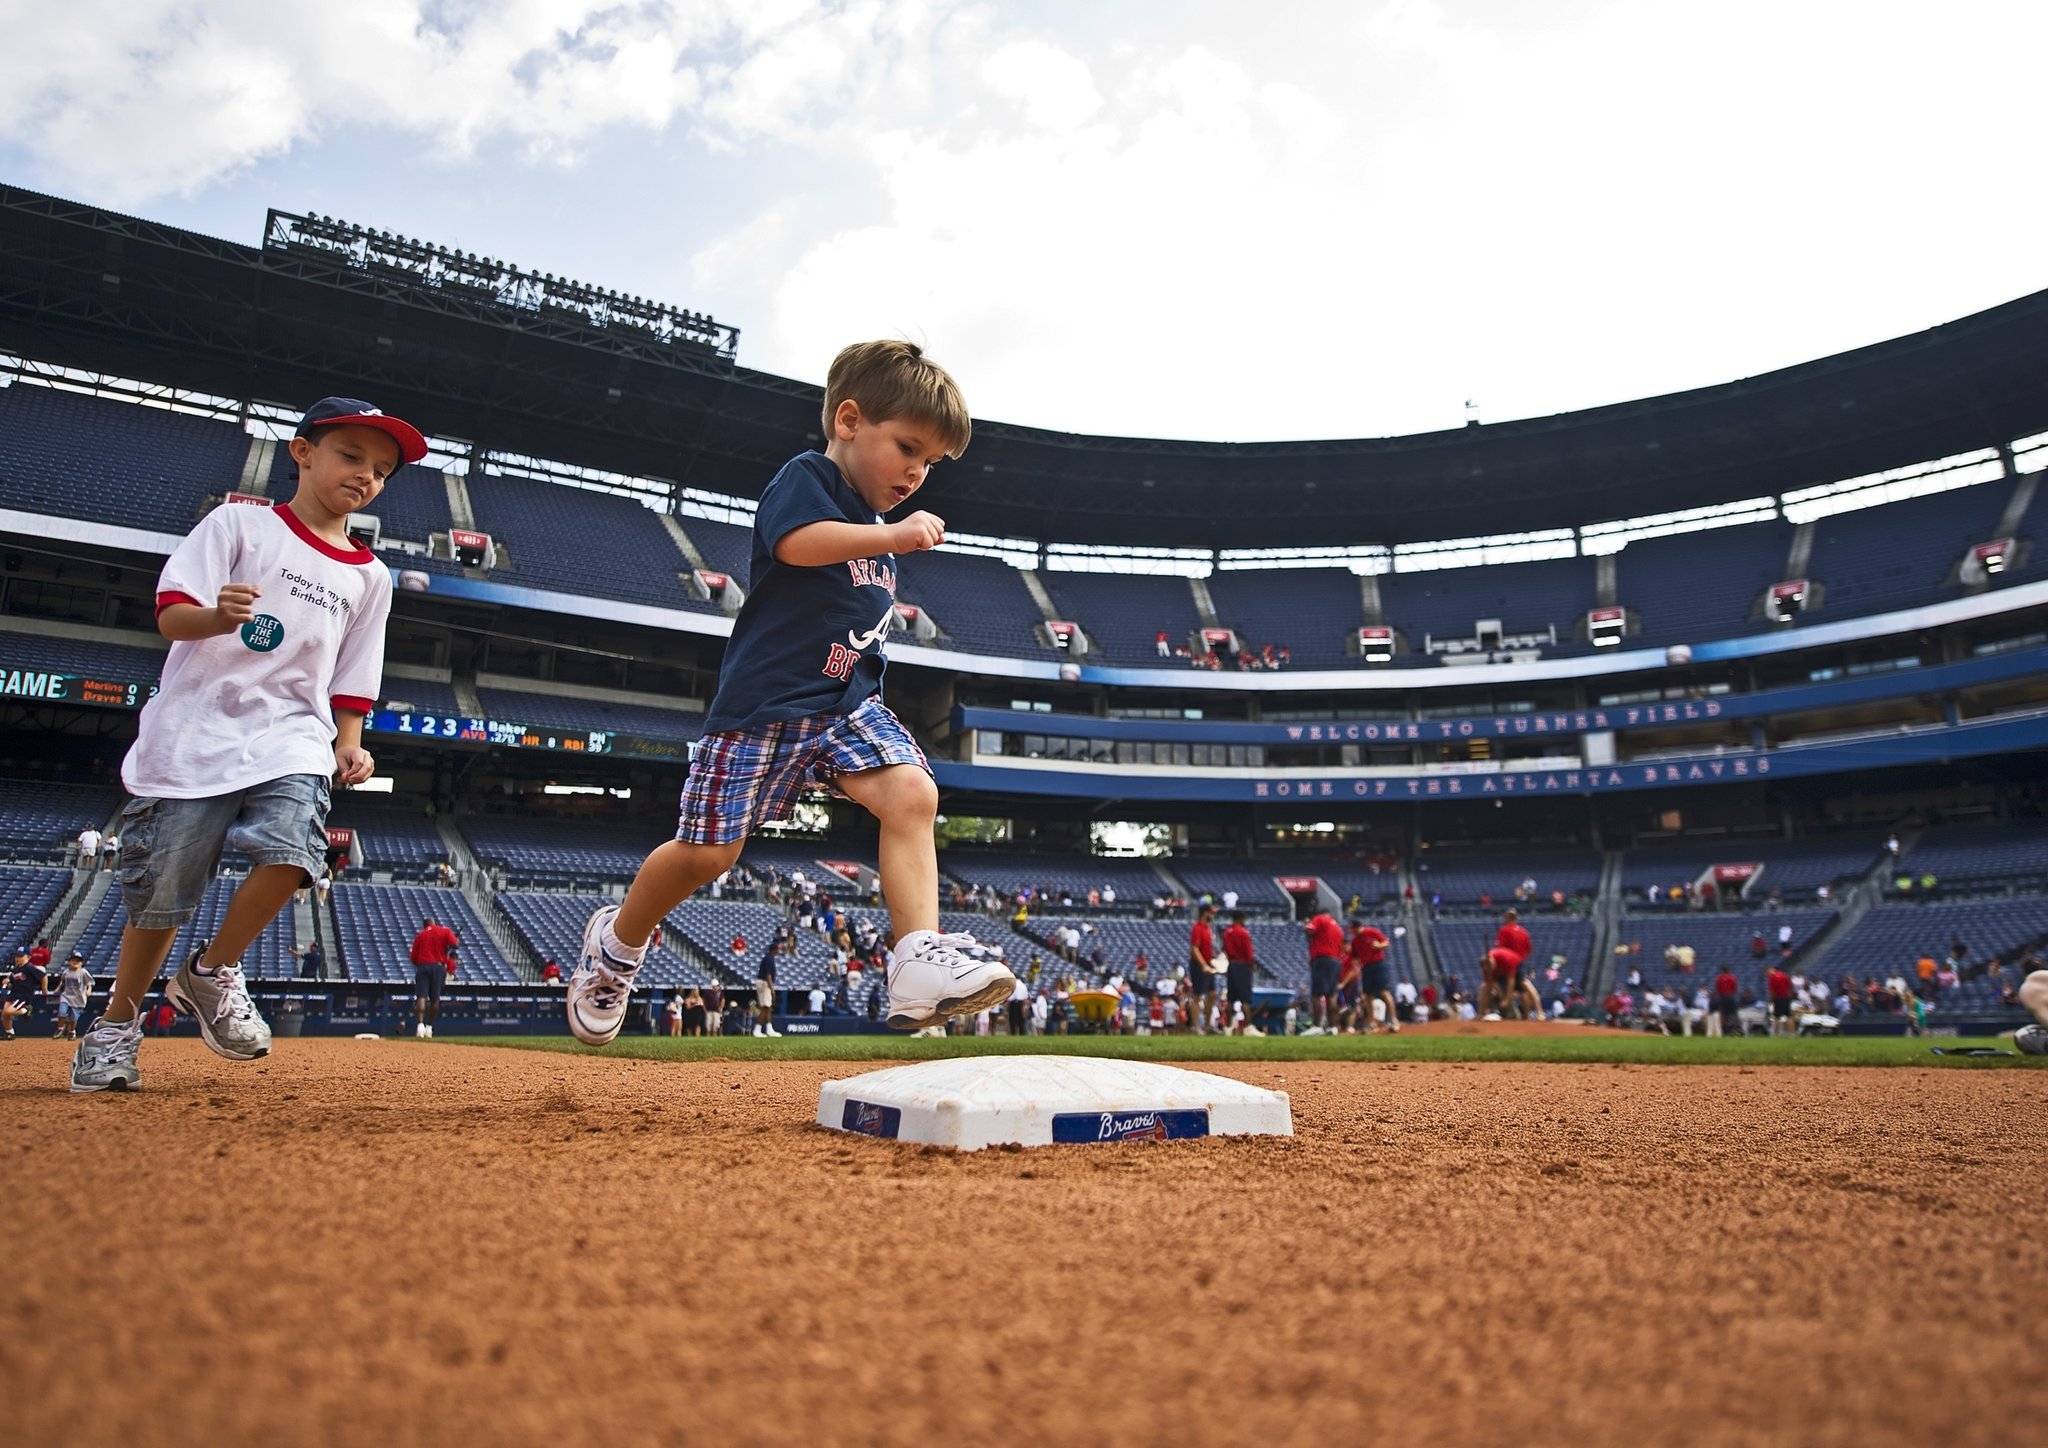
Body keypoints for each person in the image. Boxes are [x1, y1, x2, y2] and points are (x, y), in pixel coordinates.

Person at [557, 342, 1022, 1043]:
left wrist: (882, 536)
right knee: (708, 856)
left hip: (844, 707)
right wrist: (891, 536)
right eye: (907, 447)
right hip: (764, 709)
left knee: (913, 794)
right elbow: (798, 544)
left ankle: (914, 958)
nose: (918, 472)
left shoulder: (869, 524)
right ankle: (616, 946)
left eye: (930, 462)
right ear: (848, 420)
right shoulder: (807, 480)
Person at [67, 396, 422, 1093]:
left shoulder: (369, 576)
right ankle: (115, 1026)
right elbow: (172, 615)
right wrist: (213, 615)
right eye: (352, 456)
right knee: (162, 895)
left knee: (296, 852)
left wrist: (349, 742)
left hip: (293, 734)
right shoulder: (237, 524)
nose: (366, 477)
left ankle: (211, 969)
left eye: (381, 470)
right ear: (302, 451)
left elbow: (353, 673)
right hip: (195, 734)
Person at [409, 916, 459, 1039]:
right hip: (438, 967)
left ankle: (419, 1027)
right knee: (435, 999)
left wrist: (422, 964)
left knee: (421, 997)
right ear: (434, 923)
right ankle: (429, 1028)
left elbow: (413, 958)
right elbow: (455, 945)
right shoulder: (444, 930)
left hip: (423, 967)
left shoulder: (419, 936)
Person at [1347, 915, 1397, 1034]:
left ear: (1358, 927)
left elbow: (1386, 943)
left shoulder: (1372, 932)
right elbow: (1354, 957)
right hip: (1366, 967)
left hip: (1378, 964)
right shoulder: (1355, 941)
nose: (1352, 932)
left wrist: (1379, 946)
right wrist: (1357, 968)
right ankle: (1371, 1023)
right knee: (1368, 996)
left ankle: (1393, 1020)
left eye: (1353, 929)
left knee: (1384, 992)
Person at [1304, 907, 1345, 1030]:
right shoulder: (1338, 927)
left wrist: (1307, 924)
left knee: (1317, 994)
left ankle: (1316, 1026)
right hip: (1336, 961)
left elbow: (1308, 930)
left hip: (1322, 959)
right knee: (1331, 995)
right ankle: (1332, 1027)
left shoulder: (1320, 918)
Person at [1186, 903, 1222, 1034]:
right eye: (1211, 913)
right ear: (1204, 913)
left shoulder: (1208, 928)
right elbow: (1194, 949)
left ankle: (1208, 1025)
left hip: (1208, 965)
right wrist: (1203, 965)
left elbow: (1206, 949)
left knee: (1212, 994)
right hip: (1198, 966)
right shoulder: (1198, 928)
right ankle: (1196, 1027)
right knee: (1197, 996)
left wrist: (1214, 960)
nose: (1213, 915)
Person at [1221, 909, 1258, 1036]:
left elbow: (1225, 949)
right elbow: (1249, 953)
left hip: (1231, 965)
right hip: (1243, 966)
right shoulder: (1243, 933)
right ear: (1241, 918)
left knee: (1231, 999)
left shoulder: (1227, 932)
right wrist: (1252, 965)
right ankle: (1248, 1027)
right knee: (1245, 1000)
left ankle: (1228, 1028)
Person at [52, 950, 93, 1040]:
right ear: (69, 962)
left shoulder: (83, 972)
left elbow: (89, 983)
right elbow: (62, 982)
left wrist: (89, 990)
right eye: (73, 960)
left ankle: (72, 1031)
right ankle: (60, 1028)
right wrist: (58, 988)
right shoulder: (66, 972)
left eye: (77, 961)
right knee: (62, 1013)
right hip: (66, 995)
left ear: (81, 963)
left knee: (73, 1018)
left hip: (78, 997)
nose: (75, 962)